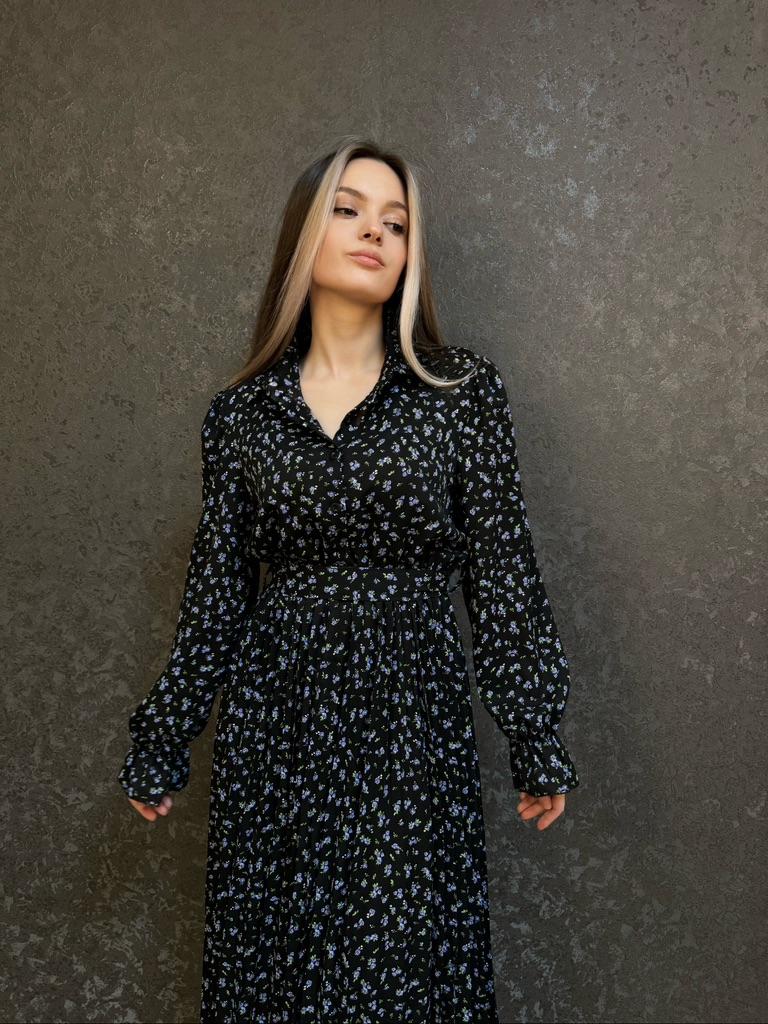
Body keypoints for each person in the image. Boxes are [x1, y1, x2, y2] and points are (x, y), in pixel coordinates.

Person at [117, 135, 580, 1024]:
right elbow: (216, 596)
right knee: (274, 976)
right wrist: (165, 734)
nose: (376, 232)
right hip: (275, 732)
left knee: (406, 974)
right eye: (349, 209)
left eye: (396, 223)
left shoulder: (459, 392)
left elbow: (502, 573)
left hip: (411, 727)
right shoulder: (242, 417)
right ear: (305, 234)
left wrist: (534, 731)